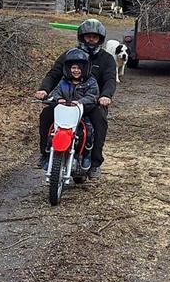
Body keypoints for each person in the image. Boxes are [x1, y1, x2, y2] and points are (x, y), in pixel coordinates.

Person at [36, 19, 116, 178]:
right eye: (88, 36)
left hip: (92, 102)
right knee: (46, 114)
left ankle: (94, 162)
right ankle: (45, 154)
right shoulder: (69, 55)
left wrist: (106, 95)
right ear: (82, 37)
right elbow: (54, 74)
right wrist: (44, 90)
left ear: (100, 39)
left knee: (100, 120)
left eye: (95, 37)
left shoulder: (106, 59)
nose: (91, 40)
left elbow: (110, 80)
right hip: (66, 101)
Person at [42, 47, 99, 171]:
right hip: (64, 114)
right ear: (68, 68)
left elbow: (92, 96)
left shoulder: (91, 82)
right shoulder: (63, 82)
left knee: (88, 131)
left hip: (81, 113)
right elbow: (56, 92)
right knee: (52, 130)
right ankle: (48, 154)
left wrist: (80, 102)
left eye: (79, 68)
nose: (76, 71)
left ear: (85, 68)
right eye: (73, 68)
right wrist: (58, 99)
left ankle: (86, 155)